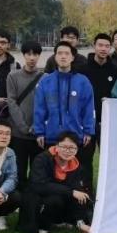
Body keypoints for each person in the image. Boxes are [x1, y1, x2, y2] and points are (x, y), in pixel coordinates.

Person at [32, 42, 95, 176]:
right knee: (51, 174)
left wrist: (88, 130)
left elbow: (89, 108)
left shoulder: (83, 81)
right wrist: (39, 131)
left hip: (76, 135)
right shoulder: (45, 81)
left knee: (76, 175)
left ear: (72, 57)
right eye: (59, 53)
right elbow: (39, 108)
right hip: (52, 135)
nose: (63, 56)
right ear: (55, 57)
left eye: (67, 53)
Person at [19, 131, 92, 233]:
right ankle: (42, 227)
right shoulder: (42, 159)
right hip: (38, 198)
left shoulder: (76, 165)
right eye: (64, 147)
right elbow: (39, 185)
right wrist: (71, 192)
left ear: (76, 150)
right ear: (56, 147)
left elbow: (77, 190)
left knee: (82, 195)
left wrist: (80, 222)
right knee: (55, 200)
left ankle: (78, 223)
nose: (67, 151)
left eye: (72, 148)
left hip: (60, 199)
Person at [81, 33, 117, 185]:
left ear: (111, 48)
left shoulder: (116, 70)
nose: (103, 49)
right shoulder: (82, 69)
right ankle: (86, 191)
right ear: (94, 46)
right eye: (100, 45)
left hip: (108, 123)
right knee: (85, 158)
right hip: (87, 122)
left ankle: (109, 191)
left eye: (107, 46)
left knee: (109, 158)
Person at [6, 40, 44, 188]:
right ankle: (19, 196)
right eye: (28, 54)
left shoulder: (46, 78)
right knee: (18, 170)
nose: (32, 58)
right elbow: (12, 102)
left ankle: (33, 198)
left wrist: (36, 126)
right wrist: (23, 127)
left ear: (39, 56)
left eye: (35, 54)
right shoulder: (13, 76)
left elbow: (47, 105)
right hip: (18, 133)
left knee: (37, 171)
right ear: (23, 55)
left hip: (38, 134)